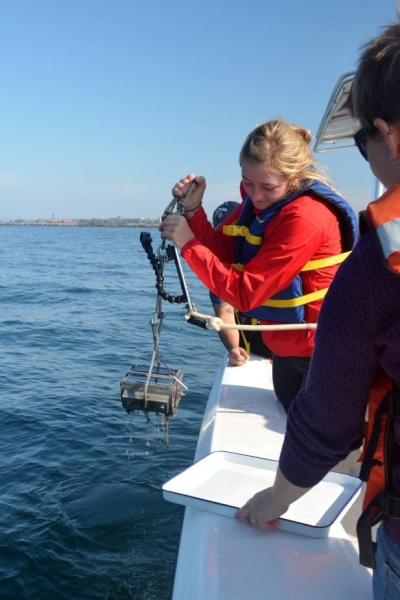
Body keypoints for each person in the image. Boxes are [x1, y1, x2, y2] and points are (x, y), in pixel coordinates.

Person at [234, 22, 400, 598]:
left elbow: (331, 415)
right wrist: (199, 220)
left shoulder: (372, 252)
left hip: (308, 359)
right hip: (287, 356)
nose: (254, 198)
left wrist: (273, 500)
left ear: (389, 135)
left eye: (363, 141)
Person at [159, 119, 357, 412]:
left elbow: (246, 293)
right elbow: (226, 252)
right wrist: (193, 210)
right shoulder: (259, 204)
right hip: (287, 351)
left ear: (296, 176)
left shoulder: (306, 217)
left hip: (323, 356)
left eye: (268, 186)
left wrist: (188, 243)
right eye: (247, 183)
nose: (256, 194)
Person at [210, 201, 273, 366]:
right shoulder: (220, 271)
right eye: (222, 236)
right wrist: (234, 349)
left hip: (290, 349)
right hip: (253, 351)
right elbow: (225, 315)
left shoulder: (270, 257)